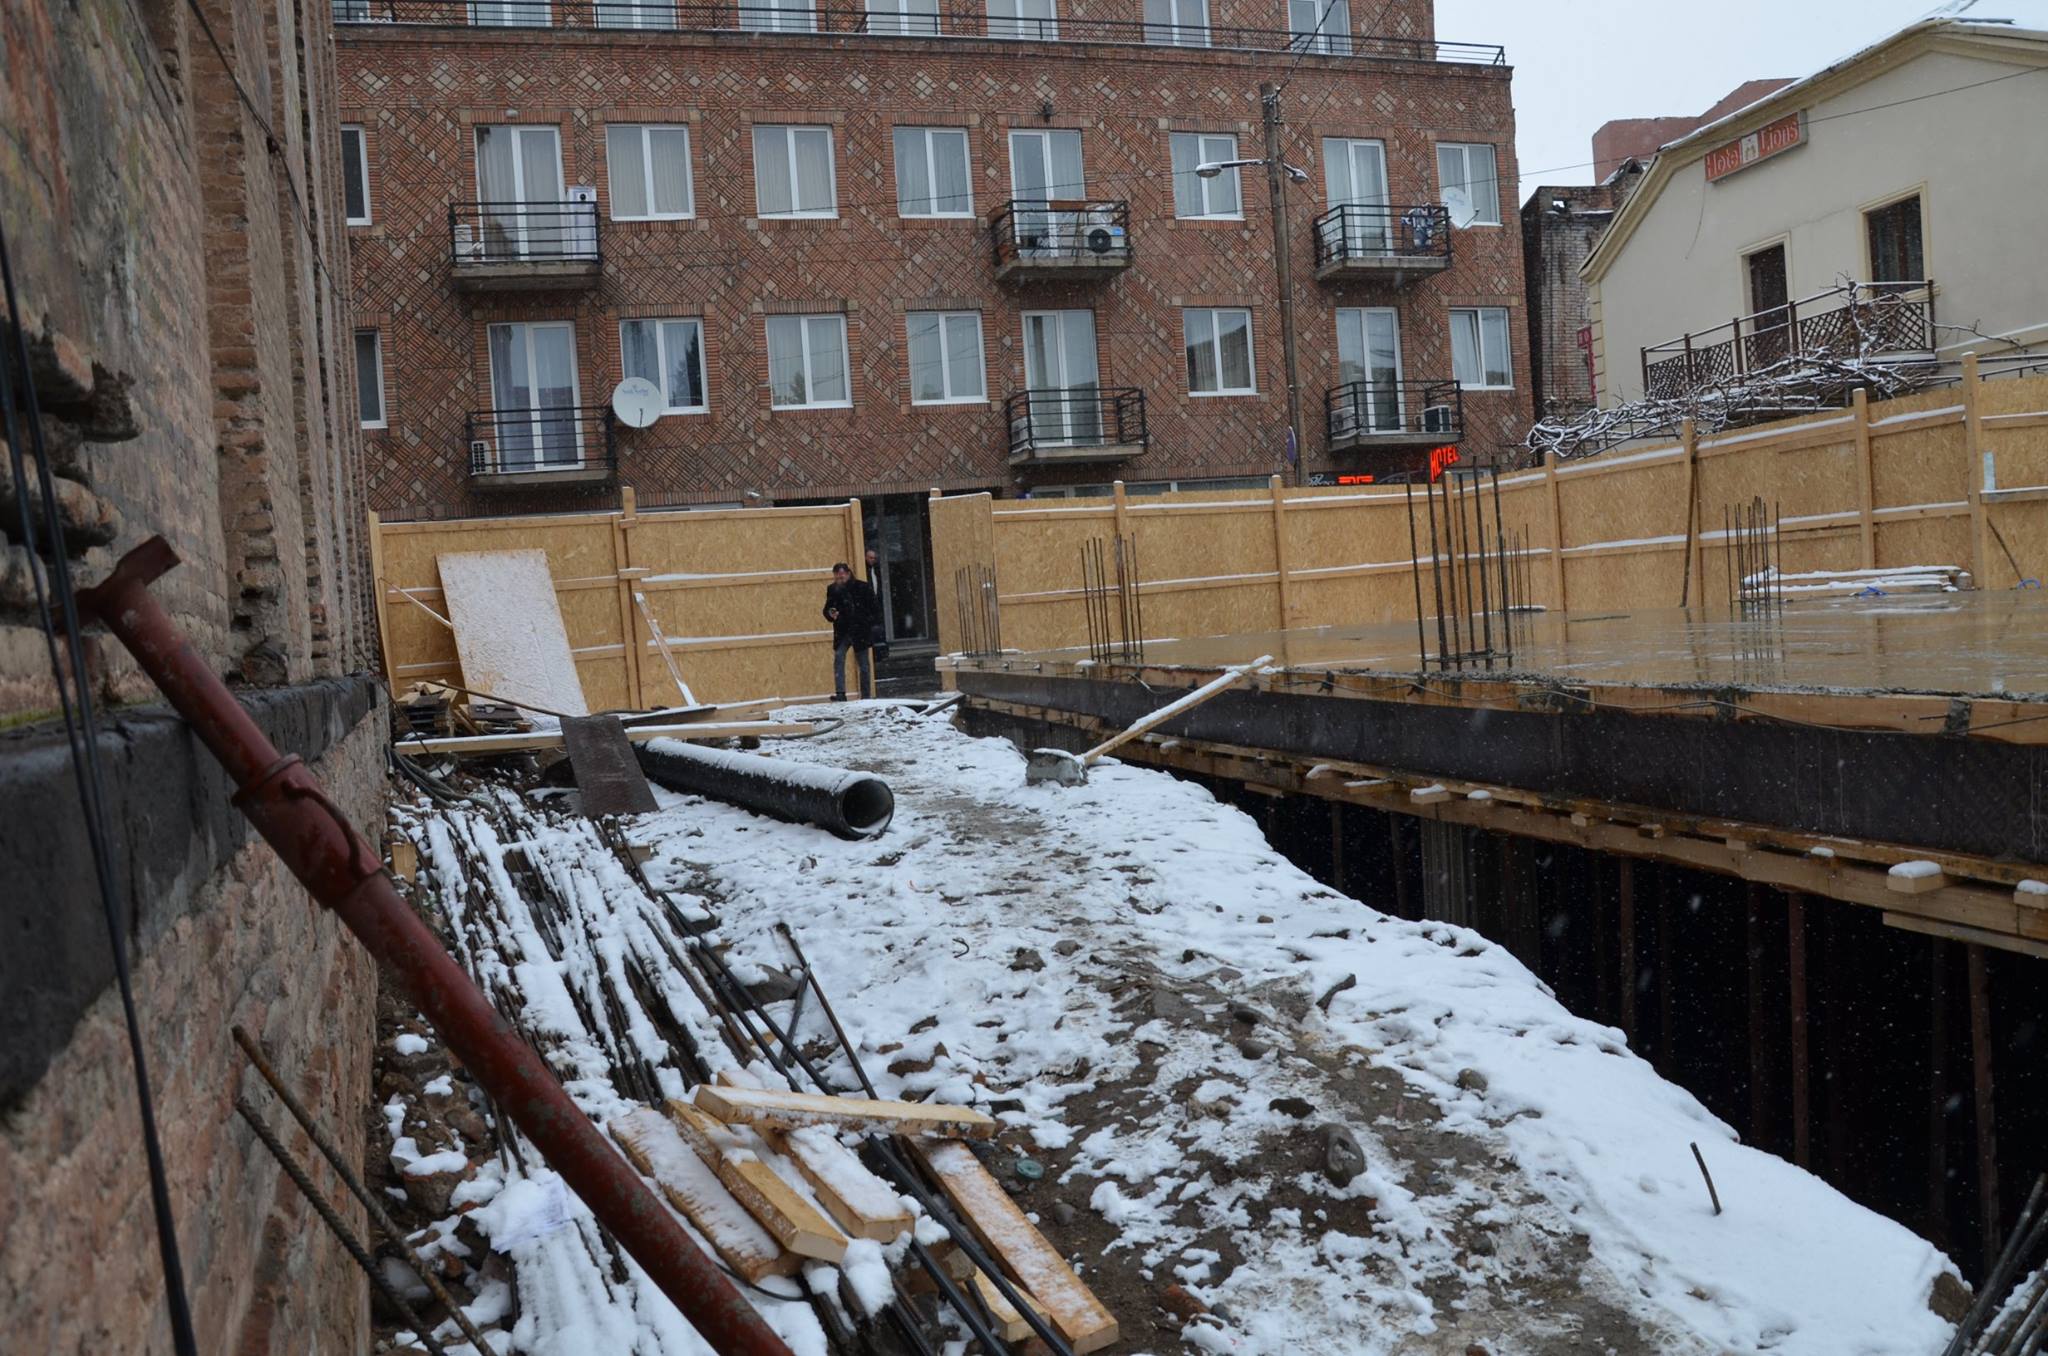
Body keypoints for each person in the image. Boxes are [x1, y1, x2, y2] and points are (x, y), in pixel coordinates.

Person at [822, 562, 878, 701]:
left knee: (863, 664)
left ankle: (865, 696)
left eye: (841, 577)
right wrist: (831, 613)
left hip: (860, 629)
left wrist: (866, 621)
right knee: (839, 657)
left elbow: (874, 608)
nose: (839, 580)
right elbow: (828, 608)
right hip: (843, 630)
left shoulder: (862, 587)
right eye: (837, 577)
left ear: (848, 574)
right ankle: (841, 693)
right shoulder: (833, 589)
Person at [863, 547, 891, 661]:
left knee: (877, 627)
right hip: (867, 603)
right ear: (865, 557)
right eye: (870, 558)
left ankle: (879, 652)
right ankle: (874, 652)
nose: (872, 560)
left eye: (874, 558)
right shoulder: (864, 570)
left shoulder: (875, 570)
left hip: (875, 602)